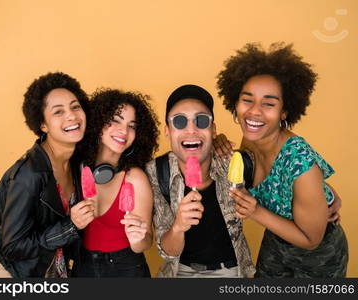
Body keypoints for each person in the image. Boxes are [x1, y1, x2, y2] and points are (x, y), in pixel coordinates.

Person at [216, 42, 348, 277]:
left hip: (319, 257)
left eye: (268, 103)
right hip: (276, 241)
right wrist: (218, 141)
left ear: (284, 111)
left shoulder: (299, 162)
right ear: (235, 102)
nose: (254, 111)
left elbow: (311, 240)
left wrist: (255, 212)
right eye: (247, 100)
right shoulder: (253, 139)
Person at [0, 72, 91, 277]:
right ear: (43, 125)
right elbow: (13, 247)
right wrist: (70, 226)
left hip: (48, 269)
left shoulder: (76, 164)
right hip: (13, 273)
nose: (72, 116)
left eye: (75, 106)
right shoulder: (28, 175)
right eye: (58, 112)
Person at [145, 84, 255, 278]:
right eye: (179, 122)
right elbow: (168, 252)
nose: (191, 129)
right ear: (167, 132)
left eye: (201, 121)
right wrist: (178, 226)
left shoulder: (233, 163)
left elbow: (279, 178)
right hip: (180, 272)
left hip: (231, 272)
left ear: (213, 130)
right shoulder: (156, 172)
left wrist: (327, 197)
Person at [76, 88, 159, 277]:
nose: (124, 131)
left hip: (126, 268)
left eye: (132, 126)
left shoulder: (134, 178)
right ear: (98, 122)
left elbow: (146, 242)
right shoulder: (75, 168)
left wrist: (138, 239)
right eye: (115, 120)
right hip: (82, 267)